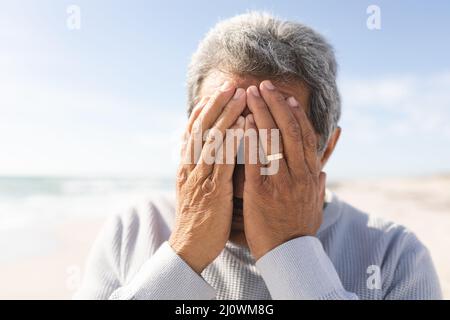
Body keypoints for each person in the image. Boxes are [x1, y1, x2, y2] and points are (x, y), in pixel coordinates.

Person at [74, 12, 441, 300]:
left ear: (325, 149)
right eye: (221, 139)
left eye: (269, 149)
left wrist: (291, 254)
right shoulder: (136, 229)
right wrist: (184, 252)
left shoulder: (394, 256)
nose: (238, 186)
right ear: (190, 137)